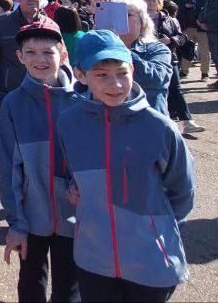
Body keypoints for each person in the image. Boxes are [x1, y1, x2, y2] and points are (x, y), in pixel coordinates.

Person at [60, 30, 196, 302]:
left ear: (133, 69)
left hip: (151, 261)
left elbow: (182, 191)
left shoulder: (159, 127)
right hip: (93, 259)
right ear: (81, 75)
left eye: (122, 73)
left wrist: (156, 230)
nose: (116, 84)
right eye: (101, 75)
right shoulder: (69, 122)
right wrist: (75, 187)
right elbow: (73, 172)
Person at [0, 19, 80, 303]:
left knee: (70, 288)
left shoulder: (83, 98)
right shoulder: (13, 104)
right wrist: (16, 222)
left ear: (63, 53)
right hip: (32, 217)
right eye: (31, 53)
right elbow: (8, 170)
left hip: (75, 218)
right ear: (19, 57)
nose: (40, 60)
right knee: (31, 284)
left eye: (48, 52)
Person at [145, 0, 203, 135]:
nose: (151, 3)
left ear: (159, 3)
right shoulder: (138, 19)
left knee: (176, 89)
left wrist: (170, 40)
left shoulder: (170, 20)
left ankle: (188, 121)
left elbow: (181, 37)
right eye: (148, 0)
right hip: (147, 59)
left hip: (169, 58)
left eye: (154, 0)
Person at [116, 0, 175, 118]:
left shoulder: (156, 49)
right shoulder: (98, 51)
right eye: (115, 15)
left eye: (128, 15)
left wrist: (119, 50)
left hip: (149, 122)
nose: (120, 20)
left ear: (143, 22)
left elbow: (156, 79)